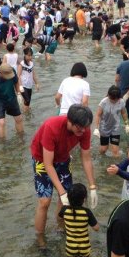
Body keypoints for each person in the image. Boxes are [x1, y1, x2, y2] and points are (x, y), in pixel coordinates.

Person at [30, 105, 97, 248]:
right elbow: (48, 165)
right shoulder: (51, 126)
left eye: (85, 127)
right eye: (79, 128)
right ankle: (40, 240)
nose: (83, 131)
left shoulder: (84, 129)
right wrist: (61, 191)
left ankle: (60, 229)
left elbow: (86, 158)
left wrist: (92, 187)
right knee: (44, 202)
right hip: (42, 159)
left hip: (63, 158)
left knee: (66, 200)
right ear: (70, 121)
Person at [58, 183, 99, 257]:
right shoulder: (86, 212)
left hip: (70, 245)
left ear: (68, 198)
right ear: (84, 199)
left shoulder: (64, 210)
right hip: (84, 245)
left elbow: (59, 218)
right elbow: (96, 228)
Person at [93, 85, 128, 157]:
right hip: (104, 128)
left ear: (119, 97)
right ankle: (100, 160)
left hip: (116, 128)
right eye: (112, 99)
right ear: (108, 95)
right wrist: (96, 128)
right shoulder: (103, 102)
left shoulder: (121, 102)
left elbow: (123, 112)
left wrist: (126, 124)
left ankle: (116, 166)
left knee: (115, 151)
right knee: (103, 150)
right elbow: (98, 115)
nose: (114, 101)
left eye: (116, 99)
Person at [17, 47, 39, 113]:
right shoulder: (22, 64)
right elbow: (18, 75)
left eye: (31, 55)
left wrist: (37, 83)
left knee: (28, 102)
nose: (30, 57)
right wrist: (20, 86)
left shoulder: (31, 63)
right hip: (23, 85)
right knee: (27, 100)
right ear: (25, 55)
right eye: (28, 55)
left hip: (29, 85)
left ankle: (25, 113)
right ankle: (26, 116)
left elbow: (33, 74)